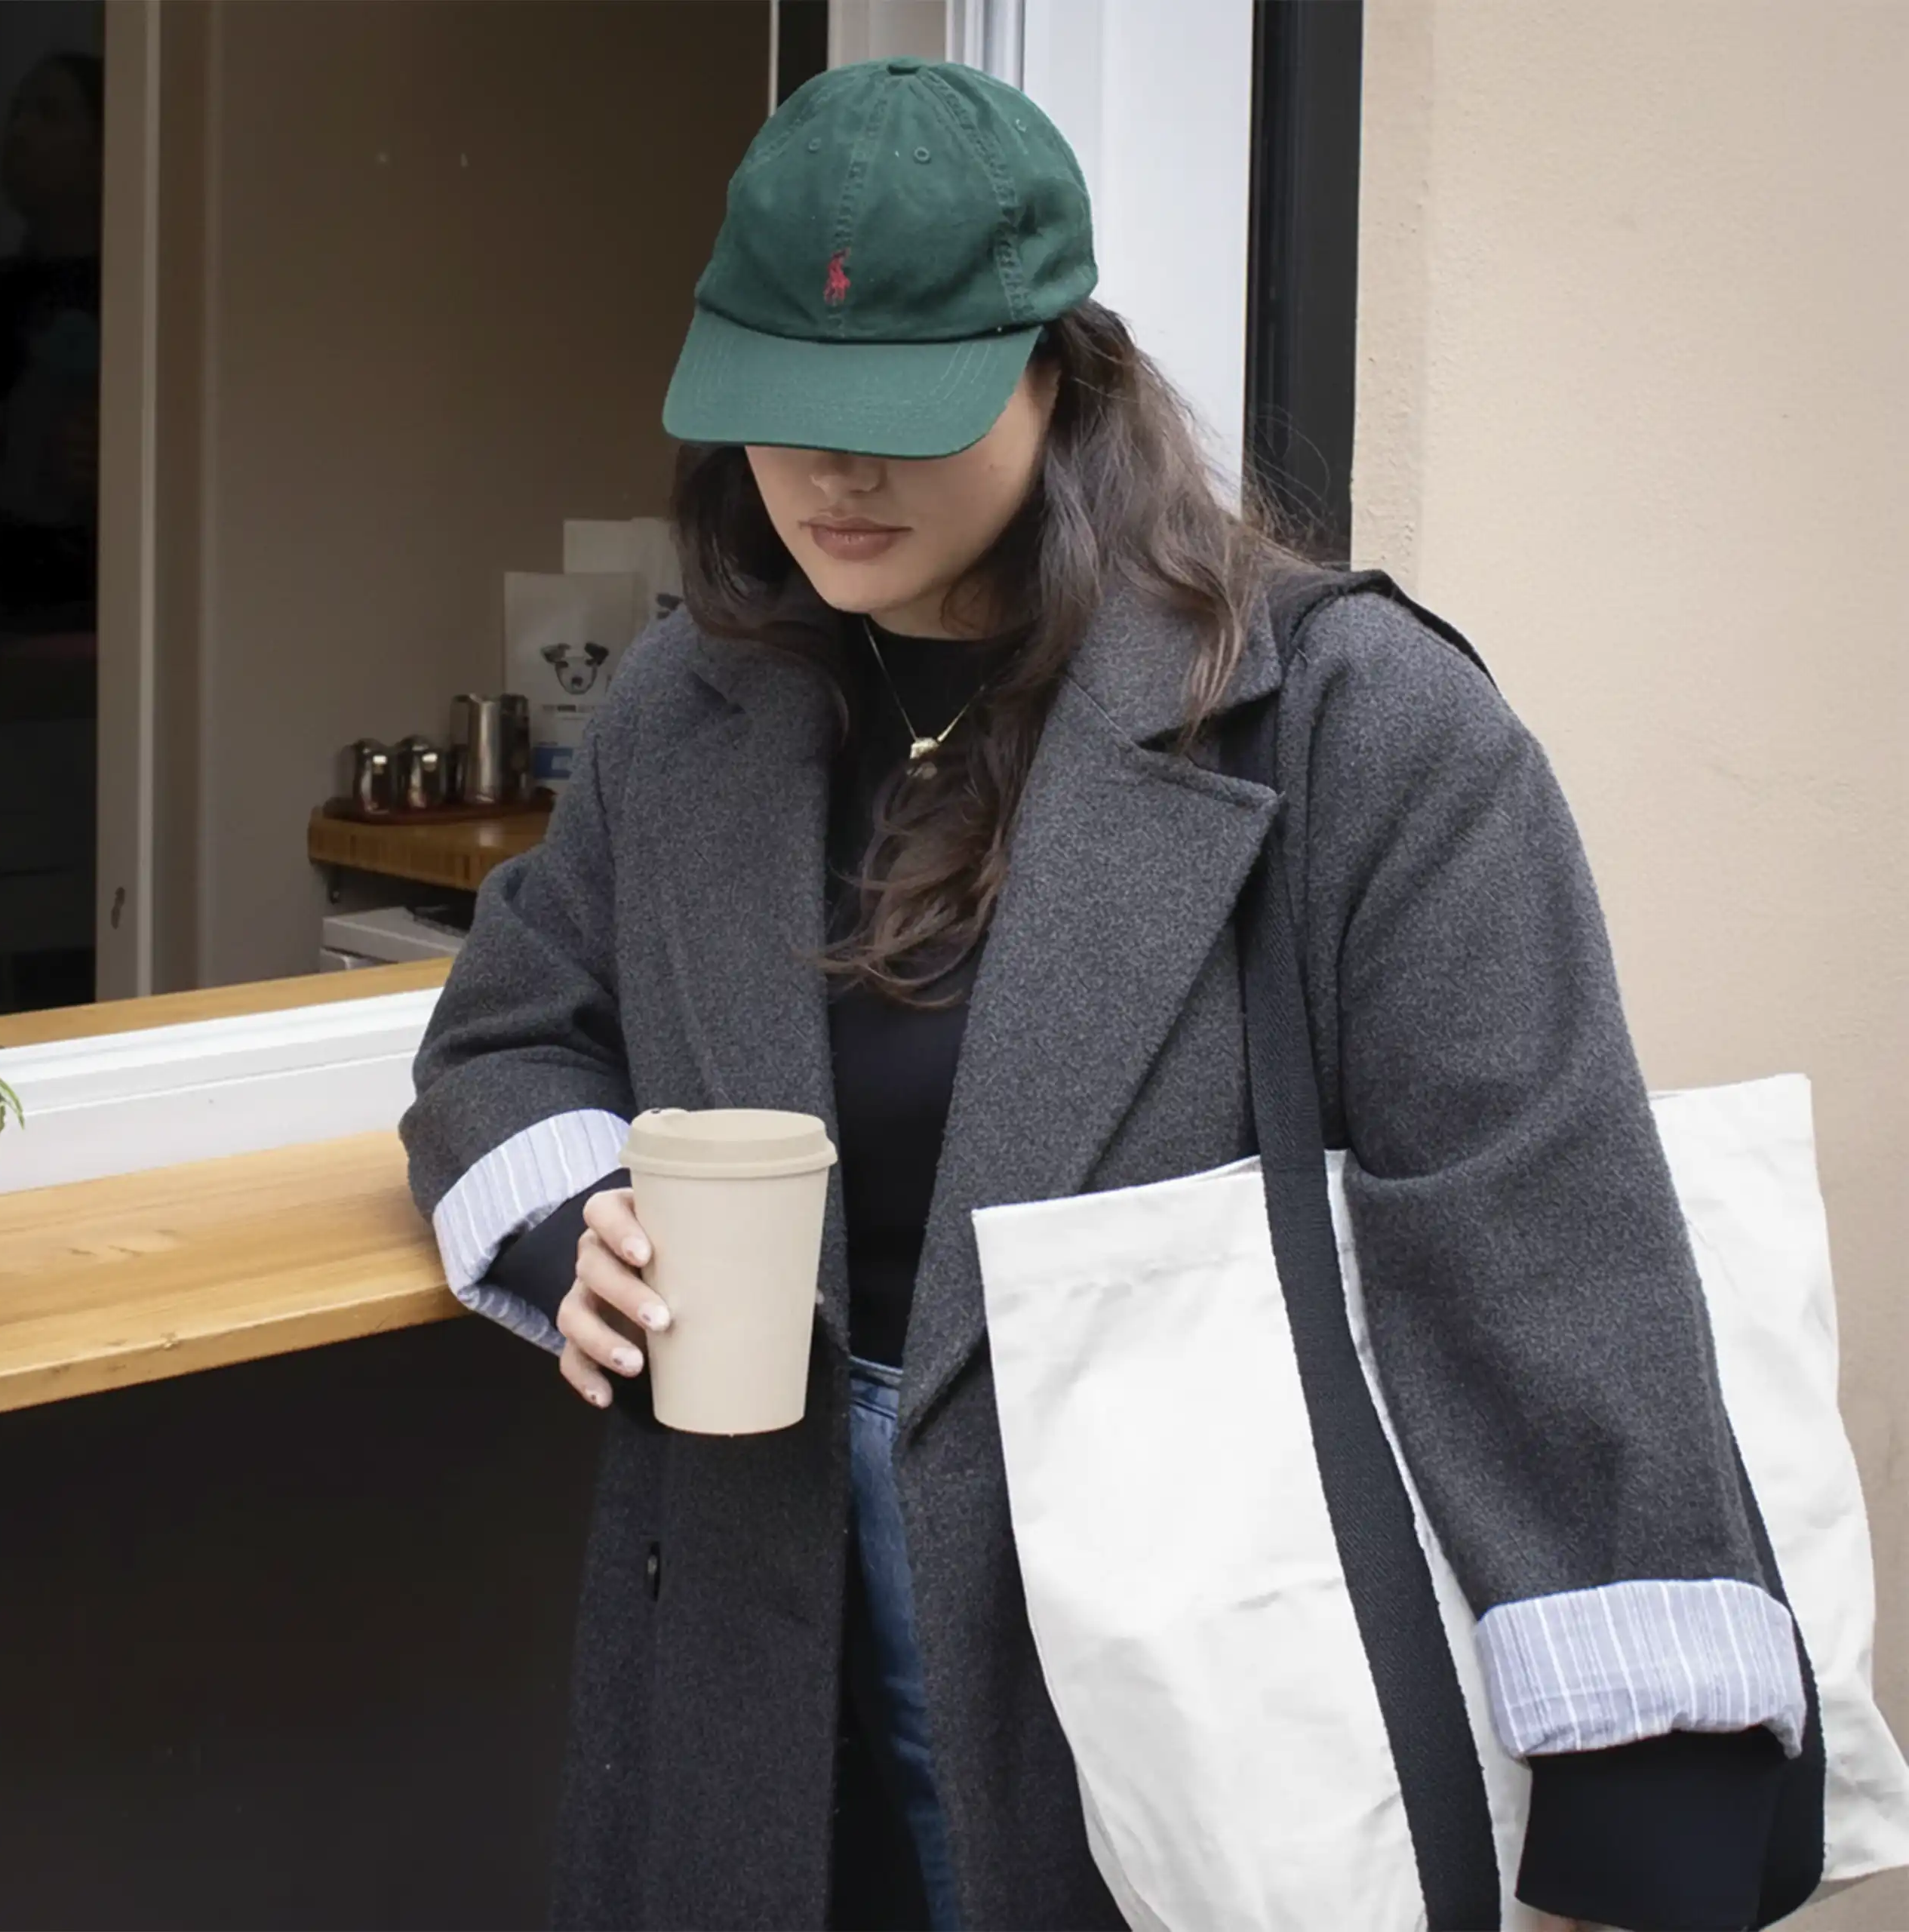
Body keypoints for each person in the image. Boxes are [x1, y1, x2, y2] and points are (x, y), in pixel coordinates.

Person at [404, 58, 1805, 1932]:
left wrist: (1644, 1787)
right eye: (779, 407)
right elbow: (507, 1027)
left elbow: (1525, 1209)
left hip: (1172, 1644)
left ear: (1060, 370)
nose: (832, 471)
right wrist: (580, 1219)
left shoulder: (1350, 721)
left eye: (899, 408)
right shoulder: (690, 707)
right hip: (749, 1617)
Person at [0, 50, 104, 626]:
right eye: (18, 113)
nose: (21, 132)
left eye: (50, 113)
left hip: (104, 618)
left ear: (107, 148)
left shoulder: (157, 298)